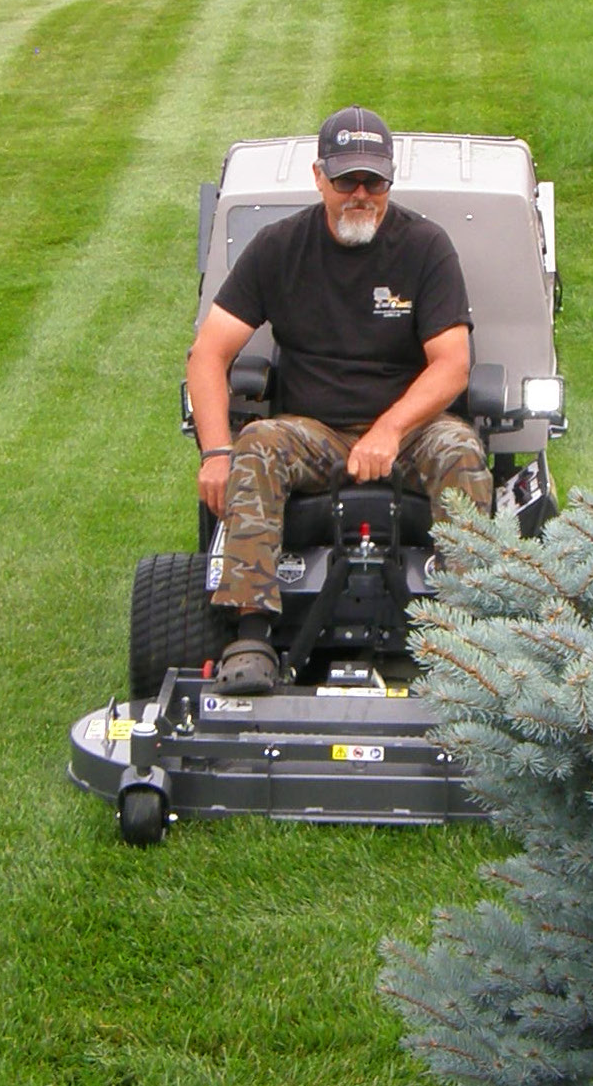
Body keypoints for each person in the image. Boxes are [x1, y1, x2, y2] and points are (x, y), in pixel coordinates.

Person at [186, 108, 494, 691]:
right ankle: (250, 636)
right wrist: (215, 452)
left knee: (460, 447)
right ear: (319, 177)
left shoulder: (426, 246)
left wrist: (390, 429)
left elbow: (452, 365)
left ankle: (470, 636)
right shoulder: (279, 248)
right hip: (315, 429)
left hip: (410, 429)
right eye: (346, 180)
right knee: (256, 443)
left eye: (373, 182)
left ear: (389, 182)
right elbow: (208, 354)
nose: (360, 194)